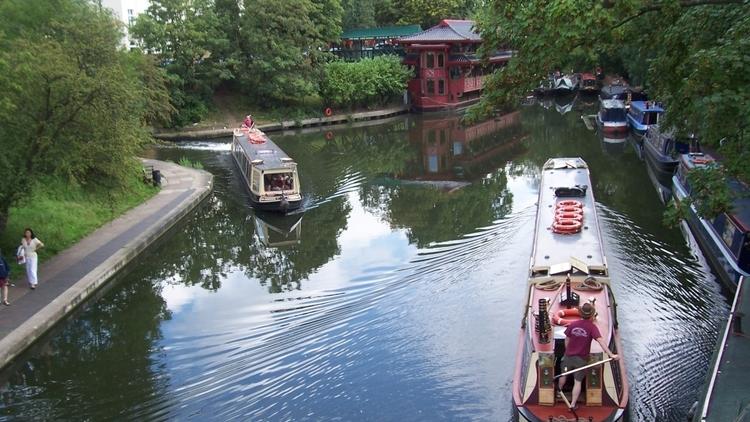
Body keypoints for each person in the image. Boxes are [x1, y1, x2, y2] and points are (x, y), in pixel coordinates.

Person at [557, 302, 619, 410]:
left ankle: (559, 393)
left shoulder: (573, 324)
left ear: (580, 313)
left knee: (563, 375)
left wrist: (567, 351)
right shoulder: (592, 327)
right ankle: (572, 405)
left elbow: (566, 339)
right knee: (577, 381)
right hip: (581, 360)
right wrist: (611, 354)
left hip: (568, 357)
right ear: (591, 315)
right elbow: (601, 341)